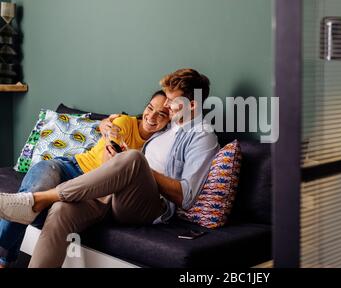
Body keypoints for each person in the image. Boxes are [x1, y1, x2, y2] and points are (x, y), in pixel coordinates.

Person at [0, 68, 219, 268]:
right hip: (114, 194)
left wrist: (136, 167)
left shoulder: (201, 136)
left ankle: (37, 200)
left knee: (133, 159)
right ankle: (43, 204)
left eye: (172, 101)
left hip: (149, 207)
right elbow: (137, 122)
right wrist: (105, 125)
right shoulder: (165, 126)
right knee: (61, 211)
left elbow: (186, 196)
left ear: (192, 105)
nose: (166, 107)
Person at [0, 90, 170, 268]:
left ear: (169, 119)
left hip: (95, 188)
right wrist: (111, 140)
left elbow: (113, 176)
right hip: (70, 167)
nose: (152, 116)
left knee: (49, 205)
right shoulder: (125, 122)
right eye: (150, 108)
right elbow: (111, 142)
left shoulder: (160, 144)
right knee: (30, 194)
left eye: (162, 114)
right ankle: (3, 260)